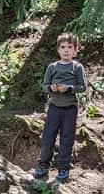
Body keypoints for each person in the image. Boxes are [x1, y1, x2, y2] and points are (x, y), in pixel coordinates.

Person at [34, 33, 87, 182]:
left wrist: (69, 88)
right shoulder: (52, 67)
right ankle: (44, 165)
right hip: (54, 107)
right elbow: (44, 86)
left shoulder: (77, 67)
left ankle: (63, 167)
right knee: (48, 137)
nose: (66, 50)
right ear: (58, 49)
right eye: (63, 47)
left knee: (67, 138)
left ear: (75, 50)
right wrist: (52, 88)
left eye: (70, 47)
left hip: (70, 108)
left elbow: (82, 87)